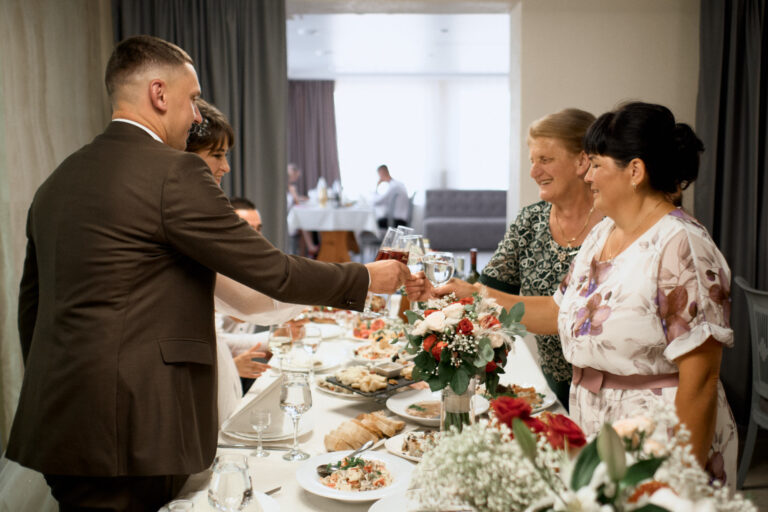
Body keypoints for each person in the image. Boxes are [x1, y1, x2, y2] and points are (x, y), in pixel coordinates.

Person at [7, 35, 409, 511]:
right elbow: (272, 271)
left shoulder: (57, 180)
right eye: (192, 98)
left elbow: (32, 305)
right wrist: (366, 279)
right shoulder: (173, 172)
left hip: (59, 420)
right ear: (159, 94)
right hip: (135, 427)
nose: (198, 114)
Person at [414, 102, 738, 486]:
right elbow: (556, 311)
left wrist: (675, 480)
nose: (588, 176)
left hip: (659, 447)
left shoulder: (682, 245)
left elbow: (699, 382)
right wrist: (475, 294)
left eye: (597, 165)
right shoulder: (604, 233)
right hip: (601, 432)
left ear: (634, 171)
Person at [407, 109, 600, 408]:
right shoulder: (531, 221)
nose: (535, 172)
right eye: (532, 161)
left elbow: (562, 315)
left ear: (582, 160)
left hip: (606, 390)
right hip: (551, 384)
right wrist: (436, 299)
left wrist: (474, 293)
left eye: (545, 160)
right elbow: (485, 299)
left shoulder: (612, 228)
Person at [374, 164, 409, 228]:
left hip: (396, 221)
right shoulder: (399, 184)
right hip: (403, 218)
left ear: (382, 173)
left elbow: (377, 202)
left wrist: (377, 187)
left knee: (374, 222)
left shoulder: (393, 186)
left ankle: (381, 238)